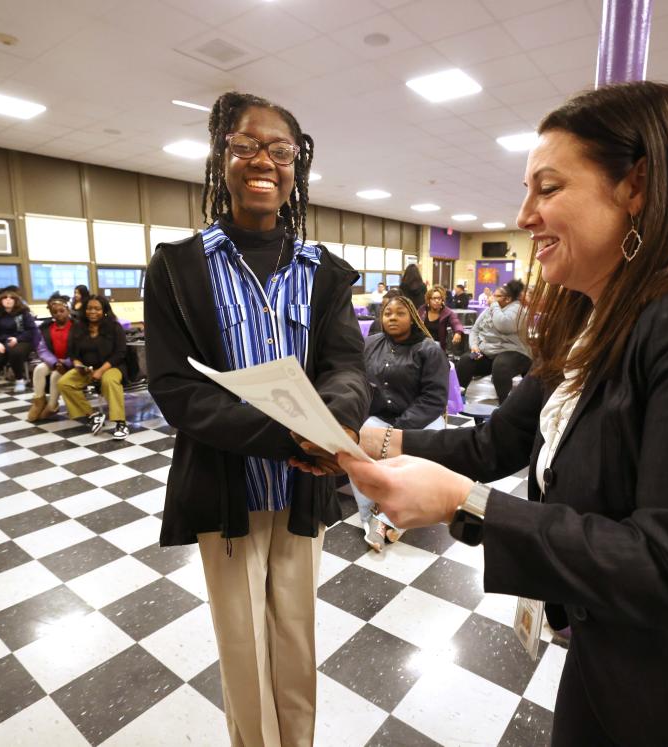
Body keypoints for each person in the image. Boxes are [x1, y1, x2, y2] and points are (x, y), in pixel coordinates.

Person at [331, 81, 668, 746]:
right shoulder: (594, 320)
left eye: (547, 188)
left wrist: (472, 506)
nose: (523, 215)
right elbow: (495, 443)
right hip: (616, 647)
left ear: (636, 186)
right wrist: (367, 441)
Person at [144, 91, 369, 747]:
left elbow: (348, 365)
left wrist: (337, 419)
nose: (261, 160)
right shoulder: (179, 268)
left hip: (304, 488)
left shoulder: (324, 272)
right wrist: (285, 434)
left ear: (297, 168)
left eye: (279, 150)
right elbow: (176, 387)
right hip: (227, 489)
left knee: (296, 635)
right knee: (242, 642)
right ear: (222, 158)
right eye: (245, 145)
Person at [355, 294, 448, 551]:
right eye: (387, 313)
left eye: (399, 313)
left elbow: (433, 398)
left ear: (413, 318)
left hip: (422, 418)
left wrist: (399, 429)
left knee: (421, 453)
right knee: (358, 446)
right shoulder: (371, 343)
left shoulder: (429, 349)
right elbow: (360, 383)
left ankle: (390, 519)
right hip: (382, 417)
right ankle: (369, 518)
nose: (392, 318)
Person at [58, 295, 129, 439]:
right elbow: (72, 352)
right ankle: (92, 415)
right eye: (89, 308)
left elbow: (120, 353)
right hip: (86, 369)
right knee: (64, 383)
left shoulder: (114, 327)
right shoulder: (78, 327)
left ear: (104, 310)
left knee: (109, 381)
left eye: (97, 309)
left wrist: (101, 370)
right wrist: (77, 363)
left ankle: (120, 423)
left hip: (111, 366)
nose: (92, 312)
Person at [454, 279, 532, 403]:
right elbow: (475, 330)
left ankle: (504, 404)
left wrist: (494, 305)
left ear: (508, 299)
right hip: (487, 353)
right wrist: (474, 346)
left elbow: (503, 324)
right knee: (466, 359)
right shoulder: (488, 310)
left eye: (497, 296)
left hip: (513, 352)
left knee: (501, 364)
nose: (492, 298)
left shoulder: (518, 309)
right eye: (493, 295)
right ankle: (458, 398)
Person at [0, 290, 36, 394]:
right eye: (5, 298)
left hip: (23, 340)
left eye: (11, 298)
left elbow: (32, 331)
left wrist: (17, 339)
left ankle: (20, 380)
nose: (8, 300)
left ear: (16, 301)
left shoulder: (24, 313)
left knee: (15, 352)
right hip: (3, 341)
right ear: (1, 301)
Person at [28, 293, 73, 422]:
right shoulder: (46, 327)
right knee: (39, 369)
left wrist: (65, 362)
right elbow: (42, 349)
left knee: (55, 376)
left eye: (61, 311)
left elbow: (80, 349)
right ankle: (39, 401)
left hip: (71, 361)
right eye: (55, 312)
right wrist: (54, 362)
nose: (58, 314)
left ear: (68, 310)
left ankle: (52, 405)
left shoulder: (76, 326)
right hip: (54, 361)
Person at [418, 284, 464, 352]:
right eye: (434, 298)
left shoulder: (447, 312)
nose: (437, 301)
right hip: (421, 345)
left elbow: (456, 322)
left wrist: (458, 332)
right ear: (428, 300)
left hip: (438, 347)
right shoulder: (422, 310)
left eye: (439, 298)